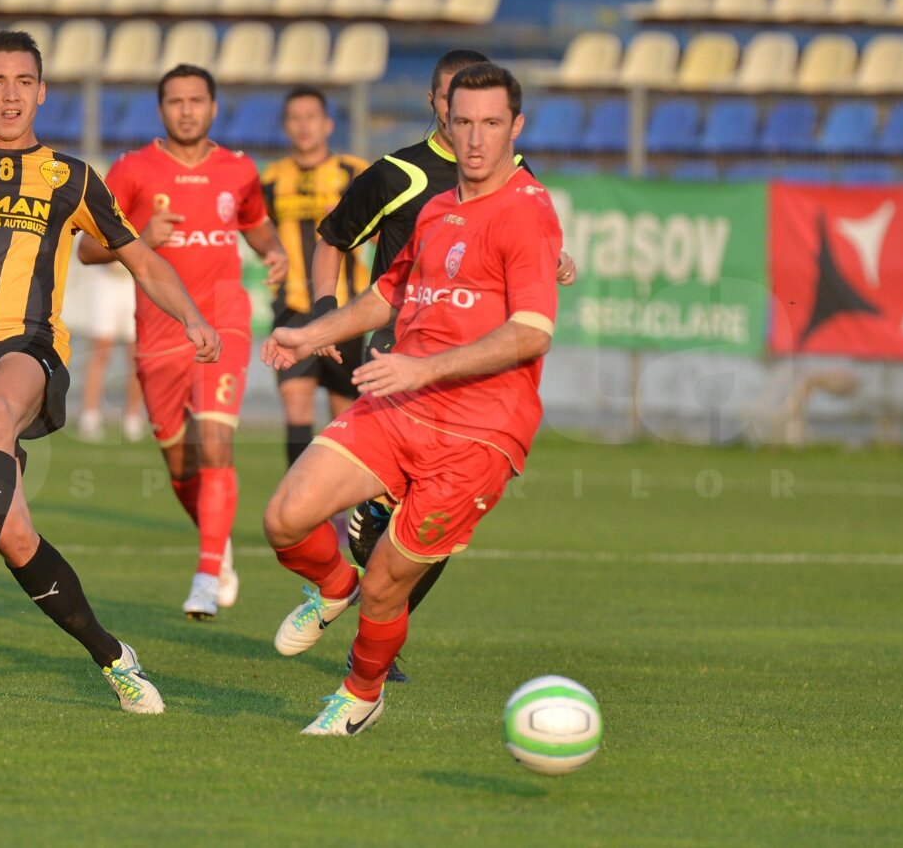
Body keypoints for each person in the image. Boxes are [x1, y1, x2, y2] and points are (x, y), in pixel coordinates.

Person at [0, 30, 221, 715]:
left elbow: (142, 259)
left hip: (28, 350)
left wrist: (192, 317)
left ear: (42, 90)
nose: (10, 95)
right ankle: (114, 657)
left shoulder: (72, 177)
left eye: (23, 81)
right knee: (20, 533)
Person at [260, 62, 563, 736]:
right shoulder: (434, 207)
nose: (476, 139)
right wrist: (312, 332)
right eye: (464, 122)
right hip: (397, 410)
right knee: (284, 518)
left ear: (516, 127)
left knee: (386, 583)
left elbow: (533, 331)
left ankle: (361, 692)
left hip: (479, 434)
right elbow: (386, 296)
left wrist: (424, 371)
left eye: (491, 124)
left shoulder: (529, 211)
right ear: (443, 122)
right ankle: (330, 585)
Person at [78, 64, 288, 621]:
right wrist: (143, 240)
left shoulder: (239, 169)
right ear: (161, 109)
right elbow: (88, 252)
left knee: (216, 445)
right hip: (159, 329)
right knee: (180, 465)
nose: (187, 110)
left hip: (223, 320)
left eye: (197, 100)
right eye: (176, 100)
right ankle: (218, 552)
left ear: (214, 108)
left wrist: (273, 250)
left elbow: (255, 222)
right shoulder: (132, 170)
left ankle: (203, 574)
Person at [260, 86, 371, 468]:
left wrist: (349, 218)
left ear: (327, 124)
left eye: (311, 117)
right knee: (296, 405)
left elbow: (383, 232)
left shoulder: (356, 173)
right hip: (291, 307)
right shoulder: (272, 180)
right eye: (295, 118)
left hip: (345, 311)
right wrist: (269, 254)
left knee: (344, 416)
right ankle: (302, 513)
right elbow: (261, 236)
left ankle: (338, 506)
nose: (303, 126)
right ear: (285, 126)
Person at [77, 260, 146, 443]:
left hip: (134, 283)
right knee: (100, 352)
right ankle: (90, 415)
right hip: (107, 282)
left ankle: (132, 416)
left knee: (135, 356)